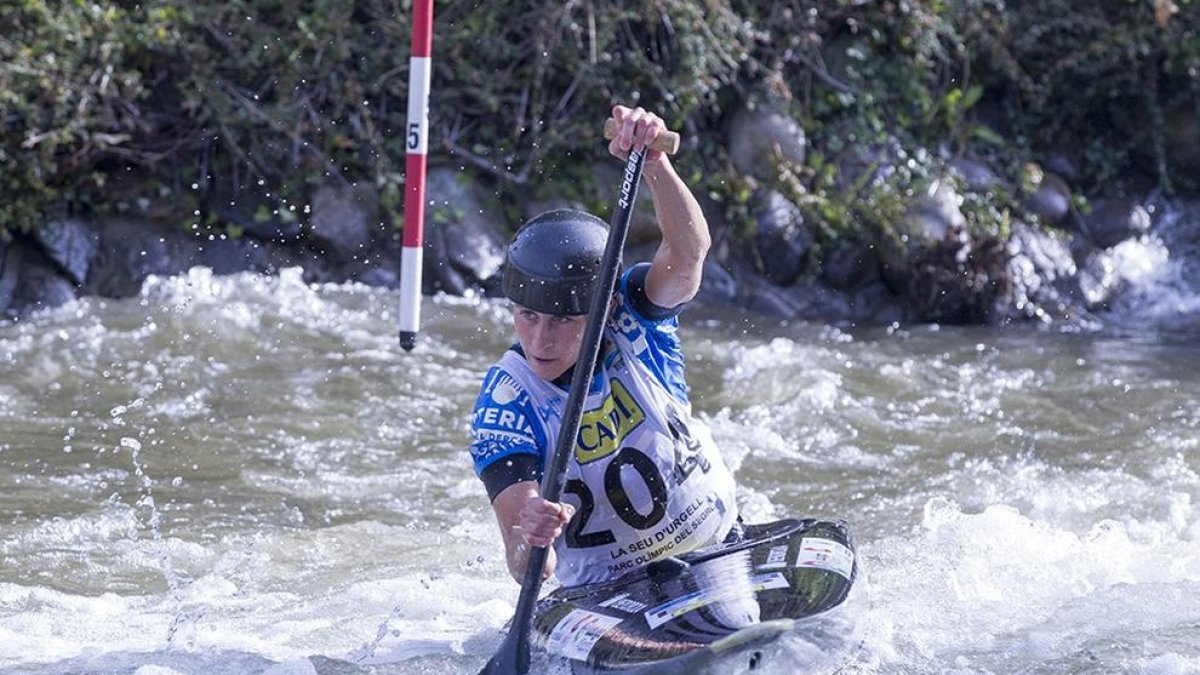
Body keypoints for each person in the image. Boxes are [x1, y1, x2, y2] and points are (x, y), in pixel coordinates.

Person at [468, 105, 739, 587]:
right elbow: (523, 561)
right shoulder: (506, 402)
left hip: (713, 544)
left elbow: (688, 251)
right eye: (527, 316)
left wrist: (655, 166)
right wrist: (530, 533)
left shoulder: (636, 315)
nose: (539, 340)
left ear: (606, 308)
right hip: (610, 593)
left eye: (564, 321)